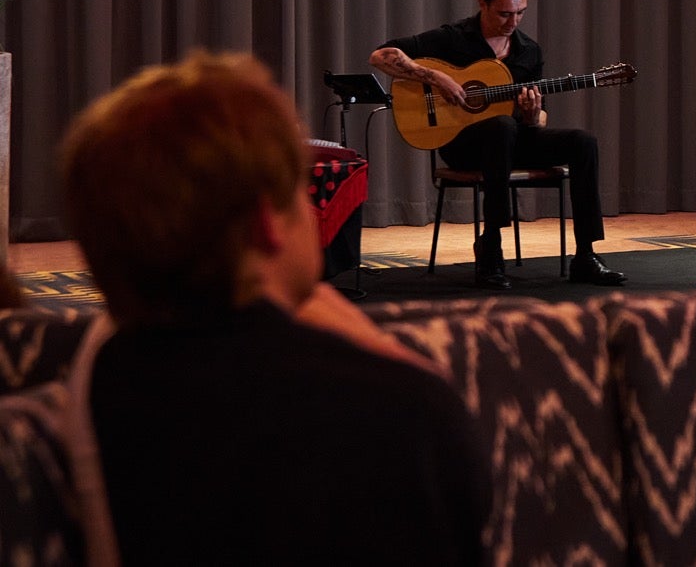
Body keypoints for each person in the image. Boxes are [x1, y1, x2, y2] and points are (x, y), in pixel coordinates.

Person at [58, 51, 490, 566]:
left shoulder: (93, 368)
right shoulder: (400, 408)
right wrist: (386, 357)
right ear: (267, 223)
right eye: (300, 191)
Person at [370, 0, 626, 290]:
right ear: (483, 4)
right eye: (505, 14)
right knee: (501, 127)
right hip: (462, 145)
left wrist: (533, 116)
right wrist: (436, 78)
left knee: (582, 141)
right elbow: (380, 55)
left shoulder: (528, 51)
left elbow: (540, 118)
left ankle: (586, 256)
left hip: (512, 140)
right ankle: (490, 245)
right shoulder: (453, 38)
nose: (513, 22)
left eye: (520, 13)